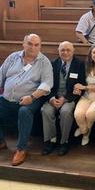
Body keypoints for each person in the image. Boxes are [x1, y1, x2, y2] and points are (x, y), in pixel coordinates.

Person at [0, 34, 53, 166]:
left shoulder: (44, 62)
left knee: (24, 112)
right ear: (23, 44)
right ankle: (1, 141)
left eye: (36, 45)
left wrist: (32, 97)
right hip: (7, 98)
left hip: (30, 99)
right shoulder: (13, 57)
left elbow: (47, 84)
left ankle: (21, 149)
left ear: (40, 46)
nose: (33, 47)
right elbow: (1, 74)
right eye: (30, 44)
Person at [41, 41, 86, 156]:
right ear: (58, 51)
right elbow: (46, 84)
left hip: (69, 98)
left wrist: (65, 99)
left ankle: (64, 142)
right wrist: (51, 99)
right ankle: (51, 140)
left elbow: (81, 85)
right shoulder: (53, 64)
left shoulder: (79, 64)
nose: (65, 52)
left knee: (66, 111)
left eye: (68, 50)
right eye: (62, 50)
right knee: (46, 110)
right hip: (54, 97)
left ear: (73, 51)